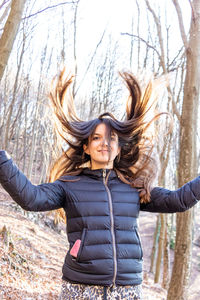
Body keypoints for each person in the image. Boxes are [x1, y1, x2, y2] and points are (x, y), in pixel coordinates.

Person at [0, 70, 199, 300]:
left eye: (112, 138)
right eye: (96, 138)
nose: (105, 143)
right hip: (81, 288)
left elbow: (178, 200)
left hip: (127, 290)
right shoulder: (70, 185)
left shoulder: (133, 186)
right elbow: (31, 198)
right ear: (85, 147)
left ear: (119, 147)